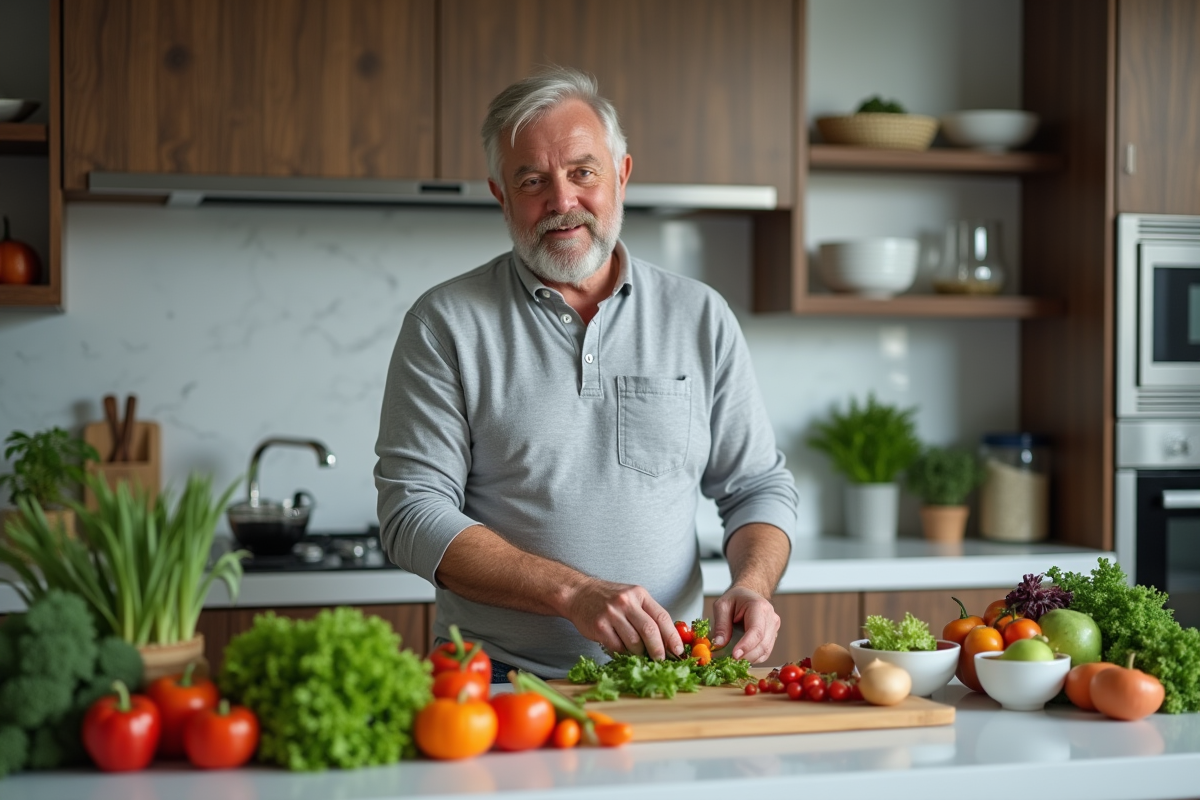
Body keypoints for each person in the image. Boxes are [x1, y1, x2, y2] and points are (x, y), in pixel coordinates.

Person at [375, 66, 798, 680]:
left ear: (621, 175)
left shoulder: (699, 315)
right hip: (494, 681)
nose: (562, 201)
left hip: (669, 674)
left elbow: (757, 486)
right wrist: (573, 593)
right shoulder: (445, 323)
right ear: (501, 195)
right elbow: (412, 512)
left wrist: (753, 584)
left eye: (583, 171)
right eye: (532, 180)